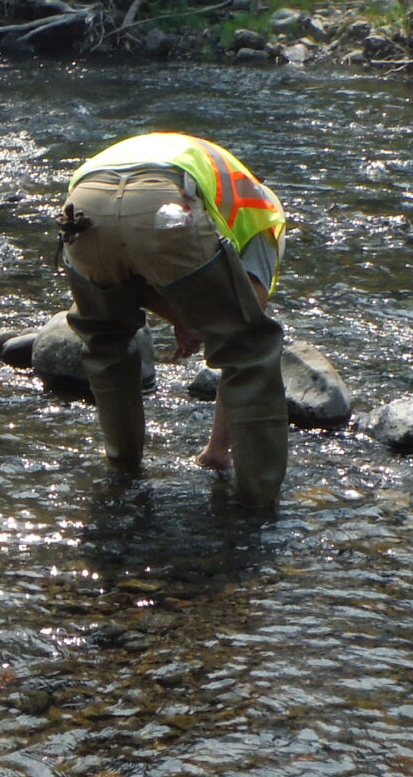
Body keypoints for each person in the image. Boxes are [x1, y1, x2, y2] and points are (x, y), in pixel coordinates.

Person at [57, 131, 291, 508]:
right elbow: (242, 328)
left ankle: (122, 472)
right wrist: (192, 318)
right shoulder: (265, 215)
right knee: (251, 352)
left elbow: (130, 279)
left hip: (83, 202)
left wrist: (184, 316)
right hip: (165, 203)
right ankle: (257, 504)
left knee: (106, 340)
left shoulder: (217, 178)